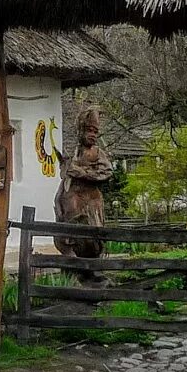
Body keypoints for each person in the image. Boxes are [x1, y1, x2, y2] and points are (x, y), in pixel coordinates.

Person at [54, 107, 113, 259]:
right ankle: (70, 248)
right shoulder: (72, 151)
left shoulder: (97, 152)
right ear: (81, 131)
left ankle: (94, 252)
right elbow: (65, 174)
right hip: (73, 194)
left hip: (91, 198)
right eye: (89, 131)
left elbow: (107, 172)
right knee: (69, 218)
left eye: (95, 132)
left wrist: (85, 174)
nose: (93, 135)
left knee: (92, 229)